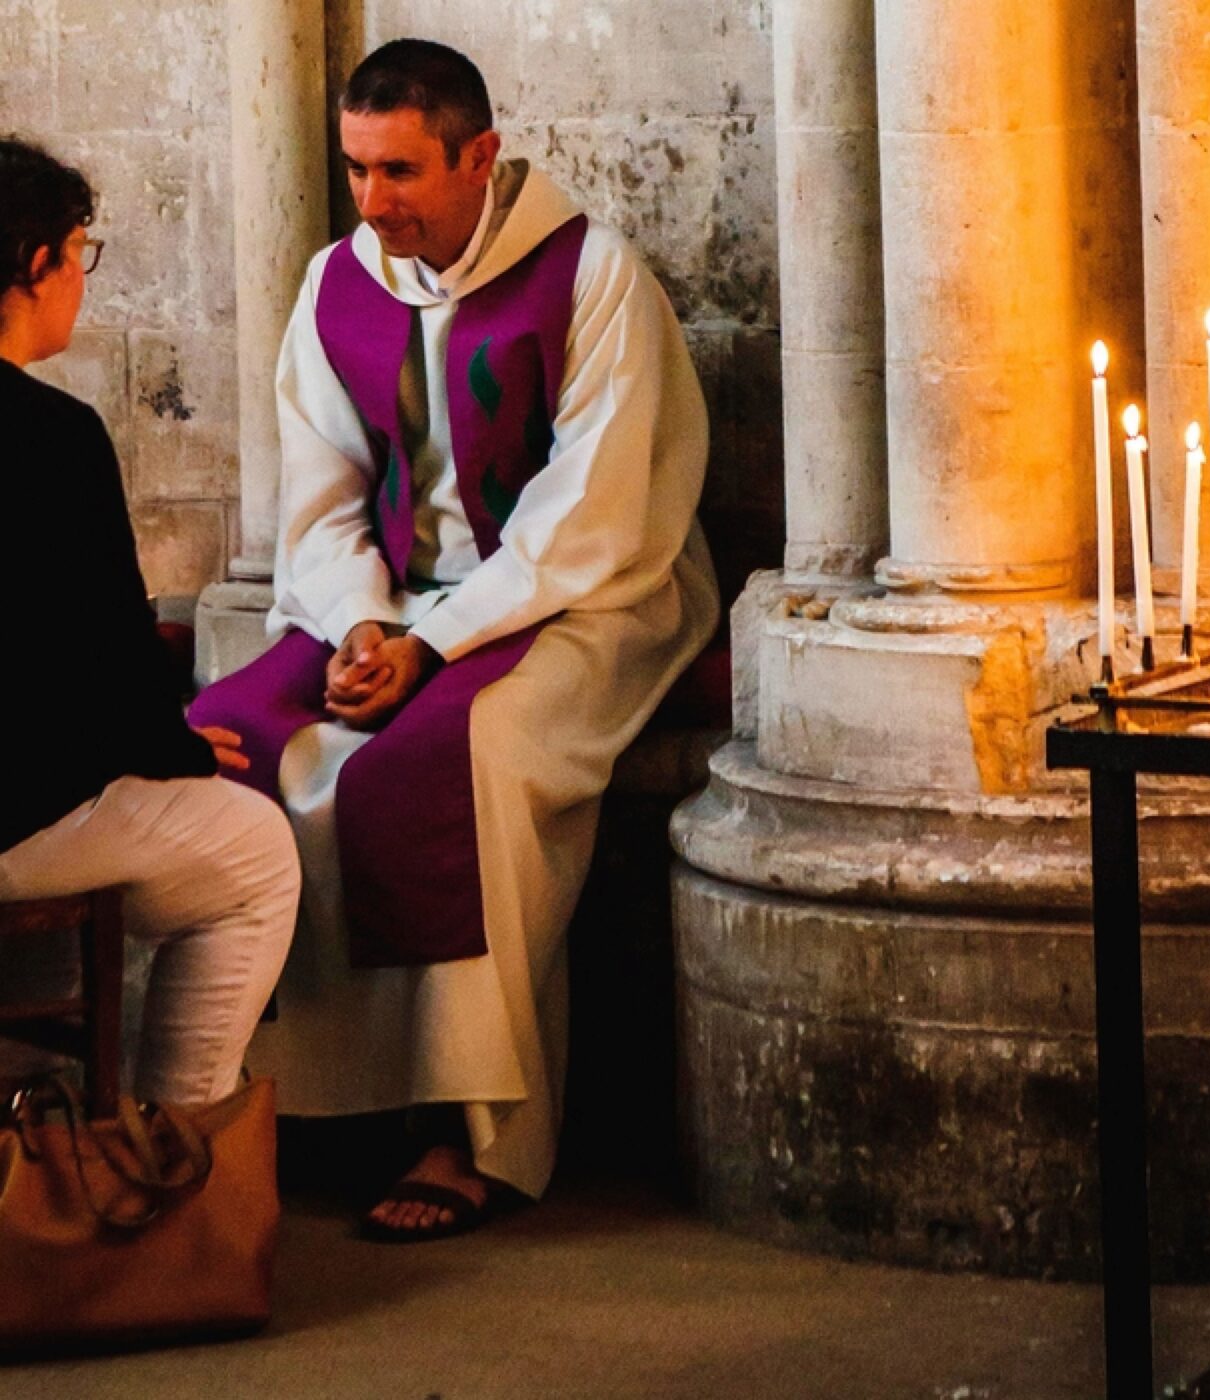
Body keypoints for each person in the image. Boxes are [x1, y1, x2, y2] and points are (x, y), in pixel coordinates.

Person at [189, 38, 719, 1239]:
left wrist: (433, 650)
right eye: (358, 171)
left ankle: (470, 1128)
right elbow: (317, 497)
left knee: (459, 759)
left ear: (480, 156)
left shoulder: (590, 276)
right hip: (388, 600)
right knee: (232, 744)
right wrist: (367, 623)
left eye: (402, 172)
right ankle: (274, 1104)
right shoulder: (337, 284)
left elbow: (592, 509)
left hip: (586, 595)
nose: (373, 206)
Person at [0, 137, 300, 1107]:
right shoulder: (52, 437)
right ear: (34, 264)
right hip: (13, 819)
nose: (80, 282)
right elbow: (109, 674)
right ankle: (169, 1158)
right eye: (79, 255)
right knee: (254, 851)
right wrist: (177, 747)